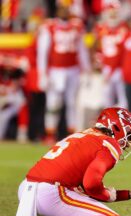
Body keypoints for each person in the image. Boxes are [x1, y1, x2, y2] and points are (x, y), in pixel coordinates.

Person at [15, 107, 131, 216]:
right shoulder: (108, 143)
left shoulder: (84, 134)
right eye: (129, 135)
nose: (127, 142)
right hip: (52, 193)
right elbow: (91, 184)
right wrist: (108, 195)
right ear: (116, 127)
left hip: (27, 189)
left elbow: (86, 190)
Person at [37, 5, 91, 143]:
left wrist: (87, 70)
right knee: (53, 103)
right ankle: (50, 133)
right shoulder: (50, 26)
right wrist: (42, 74)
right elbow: (43, 52)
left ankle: (71, 133)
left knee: (72, 102)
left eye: (67, 9)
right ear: (57, 11)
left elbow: (82, 50)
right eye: (62, 9)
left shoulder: (77, 26)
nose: (65, 12)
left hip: (73, 69)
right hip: (56, 70)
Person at [93, 2, 128, 108]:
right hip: (107, 67)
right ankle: (107, 121)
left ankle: (124, 122)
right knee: (106, 97)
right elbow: (97, 48)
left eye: (114, 13)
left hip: (121, 67)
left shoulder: (124, 28)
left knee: (123, 98)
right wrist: (98, 62)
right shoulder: (100, 28)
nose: (112, 16)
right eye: (110, 13)